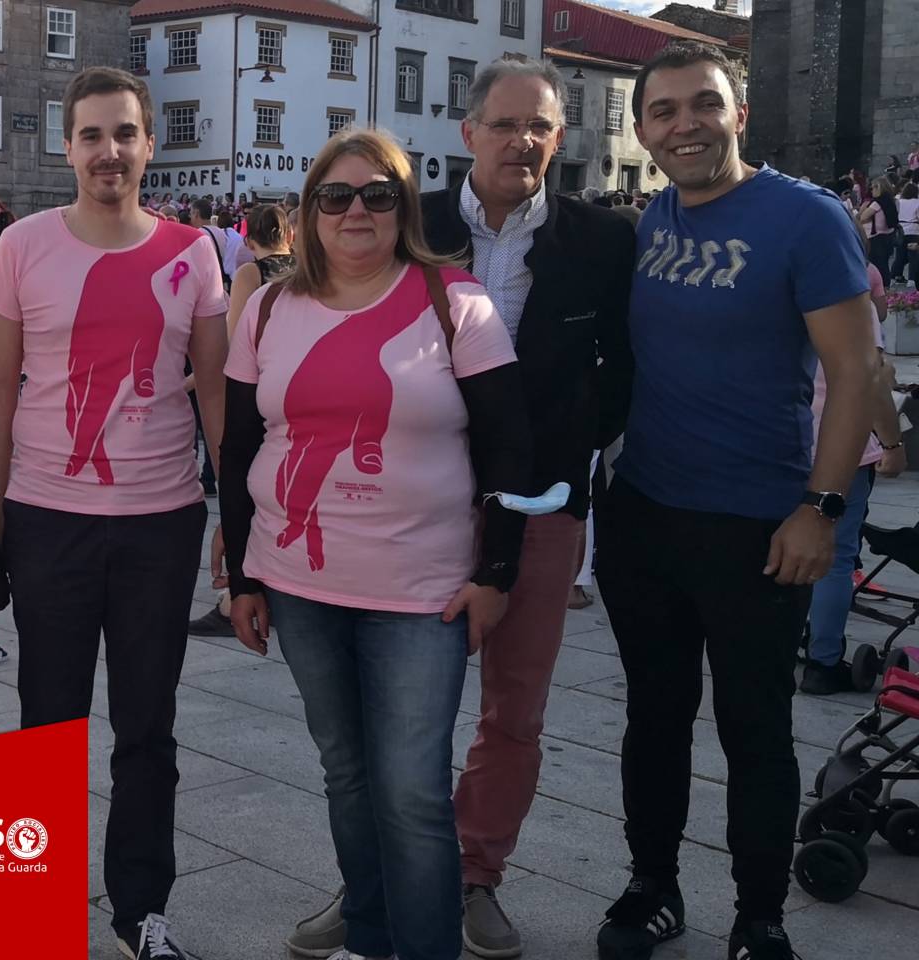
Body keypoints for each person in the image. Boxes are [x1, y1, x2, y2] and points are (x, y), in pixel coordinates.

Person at [288, 58, 635, 959]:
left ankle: (474, 872)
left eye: (540, 126)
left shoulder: (602, 239)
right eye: (506, 124)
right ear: (467, 131)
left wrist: (566, 442)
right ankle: (380, 883)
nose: (523, 141)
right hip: (415, 497)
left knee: (513, 708)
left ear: (560, 137)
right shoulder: (412, 218)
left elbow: (624, 373)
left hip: (540, 502)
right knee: (387, 723)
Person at [593, 43, 879, 960]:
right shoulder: (653, 219)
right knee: (654, 719)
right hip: (645, 512)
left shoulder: (805, 218)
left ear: (739, 115)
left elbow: (857, 369)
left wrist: (821, 510)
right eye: (665, 111)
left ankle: (759, 915)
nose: (686, 125)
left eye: (705, 105)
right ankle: (652, 885)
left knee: (755, 729)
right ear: (644, 132)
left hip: (758, 524)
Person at [220, 127, 531, 960]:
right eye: (336, 195)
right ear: (309, 211)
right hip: (298, 582)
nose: (356, 211)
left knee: (412, 791)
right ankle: (368, 935)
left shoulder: (456, 302)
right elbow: (240, 445)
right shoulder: (268, 309)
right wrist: (243, 575)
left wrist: (498, 572)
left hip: (420, 591)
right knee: (347, 773)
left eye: (378, 195)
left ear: (404, 208)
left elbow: (509, 446)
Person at [0, 66, 228, 960]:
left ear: (149, 145)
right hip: (49, 516)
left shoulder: (193, 253)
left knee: (147, 727)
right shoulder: (24, 247)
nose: (108, 151)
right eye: (91, 134)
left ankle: (141, 911)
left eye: (124, 133)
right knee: (46, 723)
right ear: (68, 147)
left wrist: (234, 518)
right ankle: (34, 913)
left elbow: (213, 391)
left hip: (161, 519)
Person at [800, 230, 907, 696]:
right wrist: (892, 442)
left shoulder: (773, 281)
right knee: (835, 555)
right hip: (839, 444)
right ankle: (823, 660)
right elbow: (872, 377)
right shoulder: (851, 298)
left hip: (777, 440)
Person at [187, 202, 296, 639]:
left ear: (248, 240)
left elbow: (233, 341)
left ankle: (237, 596)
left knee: (246, 488)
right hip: (290, 394)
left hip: (257, 392)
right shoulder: (305, 269)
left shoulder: (253, 273)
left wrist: (189, 382)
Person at [858, 177, 899, 282]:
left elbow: (863, 217)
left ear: (878, 188)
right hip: (888, 234)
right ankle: (886, 284)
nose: (871, 191)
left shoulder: (877, 203)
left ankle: (879, 284)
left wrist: (864, 208)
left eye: (872, 188)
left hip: (876, 237)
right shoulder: (891, 201)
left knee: (877, 263)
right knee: (884, 262)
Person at [894, 181, 918, 284]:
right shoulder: (917, 202)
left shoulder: (899, 201)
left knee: (900, 255)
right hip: (914, 230)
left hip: (900, 230)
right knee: (914, 257)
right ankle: (912, 279)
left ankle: (895, 276)